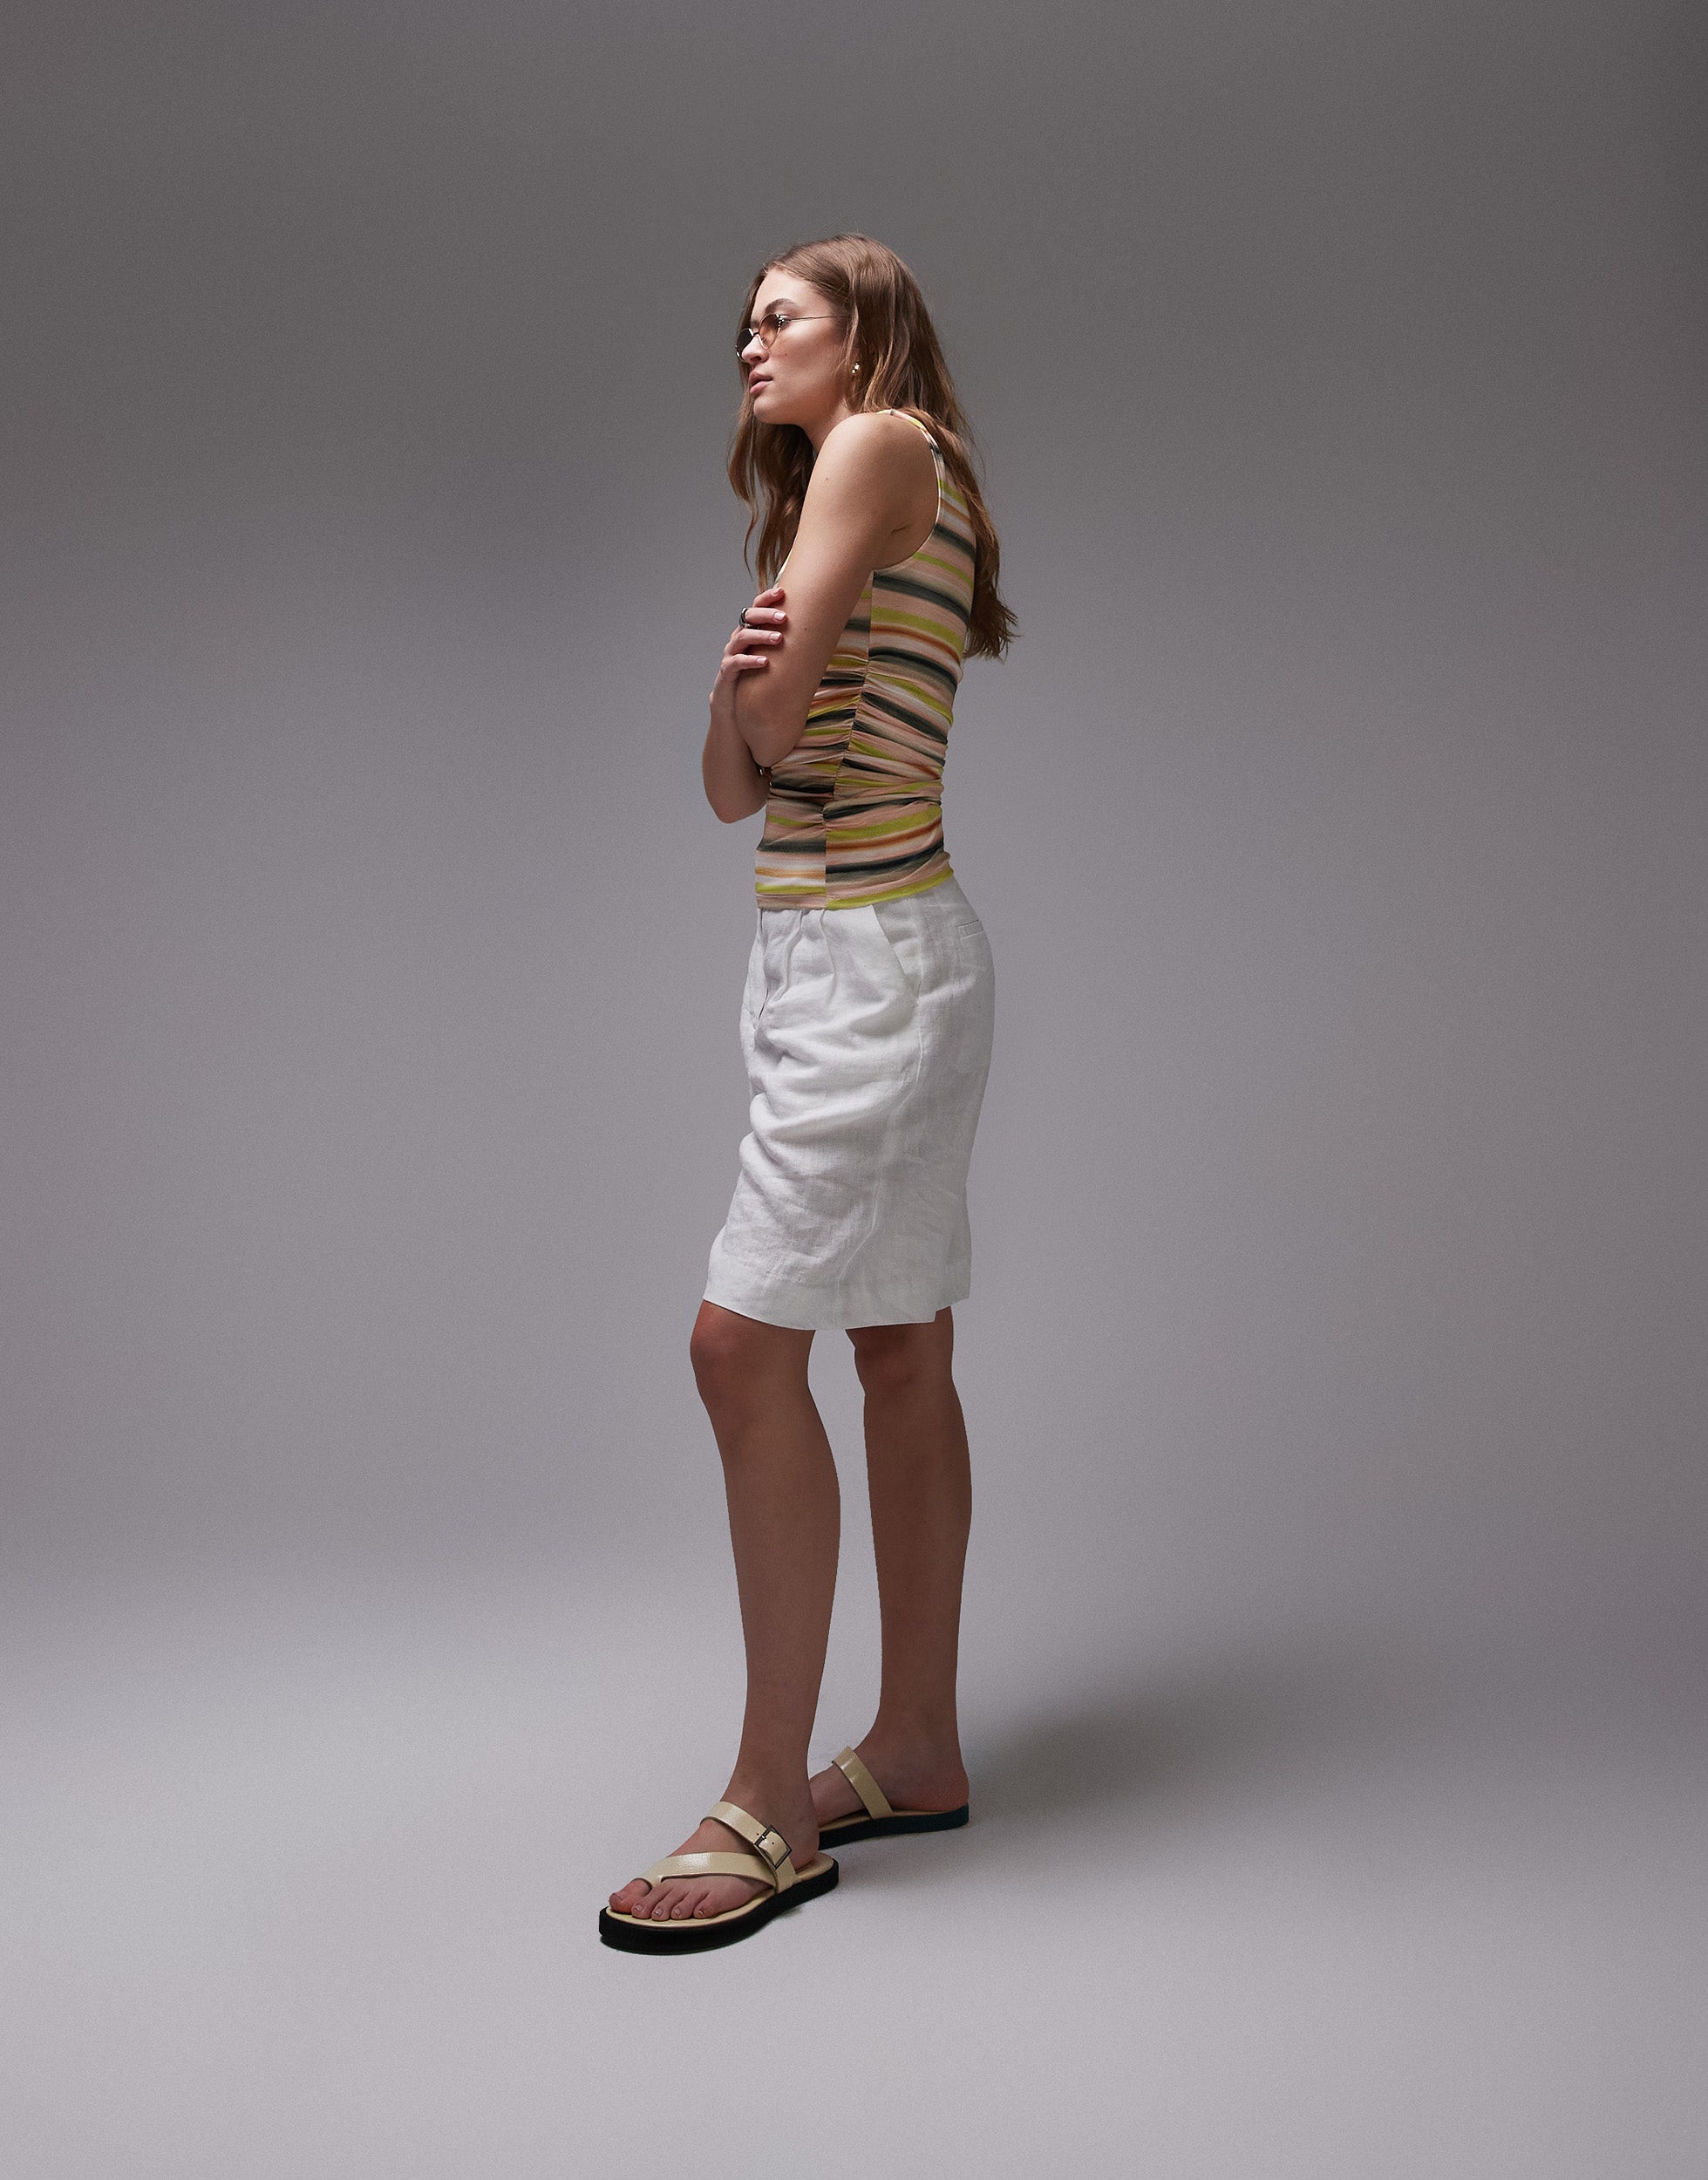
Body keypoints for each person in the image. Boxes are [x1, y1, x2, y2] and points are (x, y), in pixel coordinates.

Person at [600, 234, 1016, 1953]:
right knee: (898, 1349)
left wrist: (753, 685)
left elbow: (763, 737)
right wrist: (744, 681)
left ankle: (768, 1799)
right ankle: (912, 1745)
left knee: (737, 1347)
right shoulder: (842, 487)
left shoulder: (880, 444)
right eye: (744, 325)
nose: (749, 343)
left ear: (867, 329)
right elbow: (731, 777)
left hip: (867, 960)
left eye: (779, 316)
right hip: (837, 952)